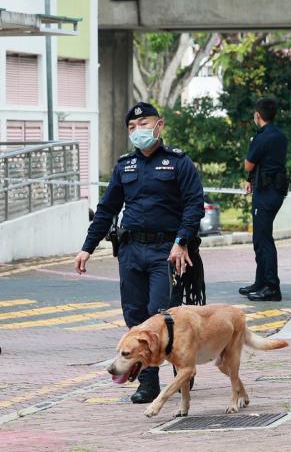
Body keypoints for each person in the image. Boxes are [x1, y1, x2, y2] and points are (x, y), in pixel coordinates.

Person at [74, 102, 204, 404]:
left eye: (143, 124)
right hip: (131, 251)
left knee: (161, 316)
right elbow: (107, 210)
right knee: (134, 317)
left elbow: (194, 205)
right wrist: (87, 248)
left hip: (166, 251)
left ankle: (182, 369)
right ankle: (147, 382)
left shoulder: (178, 163)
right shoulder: (125, 166)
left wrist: (182, 241)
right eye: (132, 127)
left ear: (159, 125)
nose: (137, 131)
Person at [238, 98, 289, 302]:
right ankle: (260, 282)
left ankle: (271, 287)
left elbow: (248, 165)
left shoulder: (261, 137)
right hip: (274, 190)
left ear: (257, 115)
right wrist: (252, 180)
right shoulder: (280, 136)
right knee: (260, 238)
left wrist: (250, 174)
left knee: (264, 240)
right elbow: (267, 163)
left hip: (266, 192)